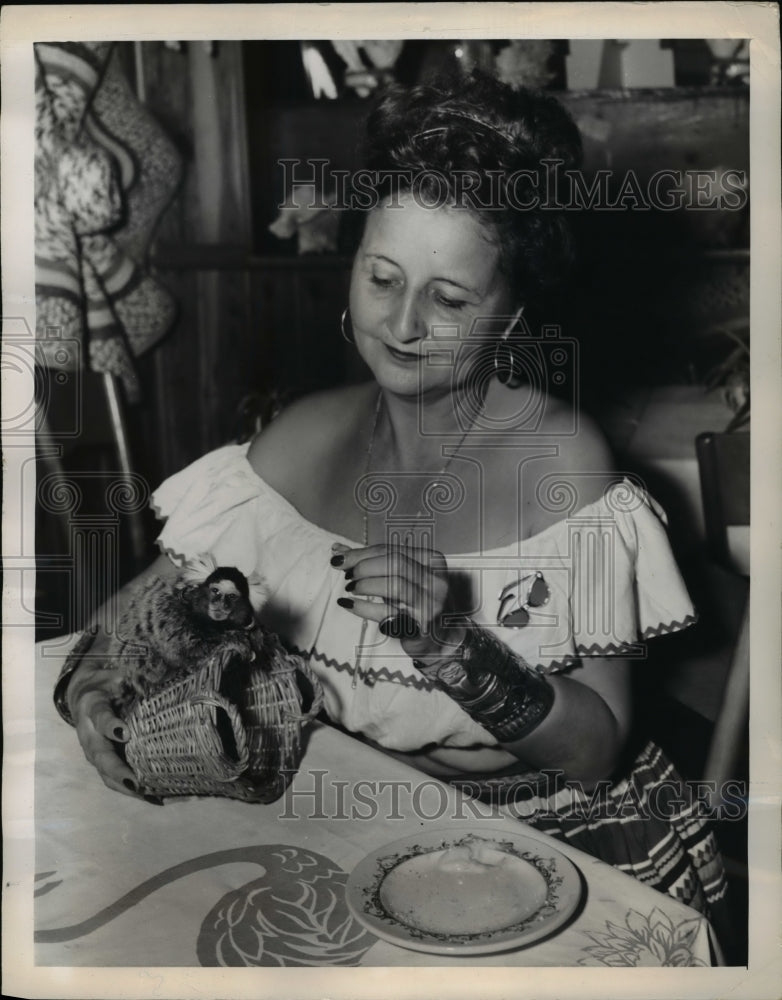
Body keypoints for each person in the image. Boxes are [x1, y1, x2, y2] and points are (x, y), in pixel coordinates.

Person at [55, 70, 728, 927]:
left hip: (562, 843)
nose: (403, 324)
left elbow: (594, 752)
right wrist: (97, 685)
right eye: (381, 278)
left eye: (448, 298)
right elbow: (141, 616)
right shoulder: (298, 438)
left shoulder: (563, 460)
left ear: (515, 313)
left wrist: (451, 644)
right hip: (373, 825)